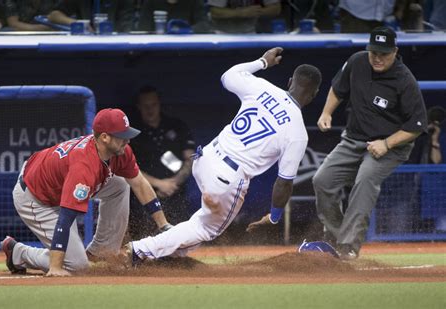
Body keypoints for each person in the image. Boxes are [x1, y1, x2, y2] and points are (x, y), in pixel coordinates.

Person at [126, 47, 322, 264]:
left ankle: (165, 257)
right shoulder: (298, 133)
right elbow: (283, 183)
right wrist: (274, 217)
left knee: (200, 223)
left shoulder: (263, 87)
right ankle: (140, 249)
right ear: (313, 95)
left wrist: (262, 62)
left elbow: (227, 76)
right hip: (227, 179)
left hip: (207, 157)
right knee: (205, 228)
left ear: (289, 82)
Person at [0, 108, 172, 277]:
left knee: (120, 184)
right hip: (36, 197)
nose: (127, 141)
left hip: (56, 181)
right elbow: (66, 217)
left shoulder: (120, 151)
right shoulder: (83, 166)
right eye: (122, 136)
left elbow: (140, 183)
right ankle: (19, 253)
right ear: (104, 137)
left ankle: (102, 251)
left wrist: (163, 225)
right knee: (77, 266)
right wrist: (55, 266)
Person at [312, 26, 428, 260]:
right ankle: (335, 237)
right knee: (322, 180)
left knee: (365, 180)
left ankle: (349, 246)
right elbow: (338, 88)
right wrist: (326, 113)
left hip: (391, 145)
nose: (377, 57)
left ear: (395, 51)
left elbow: (417, 125)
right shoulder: (357, 62)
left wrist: (386, 144)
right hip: (354, 139)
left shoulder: (404, 80)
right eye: (374, 51)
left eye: (384, 53)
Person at [127, 85, 196, 239]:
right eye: (145, 106)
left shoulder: (177, 126)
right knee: (145, 240)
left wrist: (173, 183)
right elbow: (126, 167)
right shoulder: (132, 132)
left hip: (175, 193)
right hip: (143, 196)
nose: (150, 110)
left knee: (180, 240)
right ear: (139, 107)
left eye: (153, 105)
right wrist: (158, 183)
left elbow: (191, 158)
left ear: (159, 104)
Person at [48, 0, 133, 33]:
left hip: (115, 46)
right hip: (83, 45)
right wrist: (75, 23)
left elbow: (127, 28)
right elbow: (53, 15)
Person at [138, 0, 211, 33]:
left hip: (187, 44)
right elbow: (143, 28)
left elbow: (204, 24)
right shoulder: (151, 1)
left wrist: (184, 30)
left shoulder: (194, 1)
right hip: (157, 46)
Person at [208, 0, 281, 34]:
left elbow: (276, 8)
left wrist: (256, 11)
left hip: (251, 32)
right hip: (222, 33)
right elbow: (215, 12)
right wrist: (241, 13)